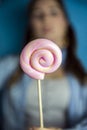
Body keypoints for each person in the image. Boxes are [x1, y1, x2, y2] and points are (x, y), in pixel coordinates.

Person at [0, 0, 87, 130]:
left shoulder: (81, 75)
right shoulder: (9, 66)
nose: (45, 18)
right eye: (37, 14)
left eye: (53, 12)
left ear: (65, 21)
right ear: (30, 24)